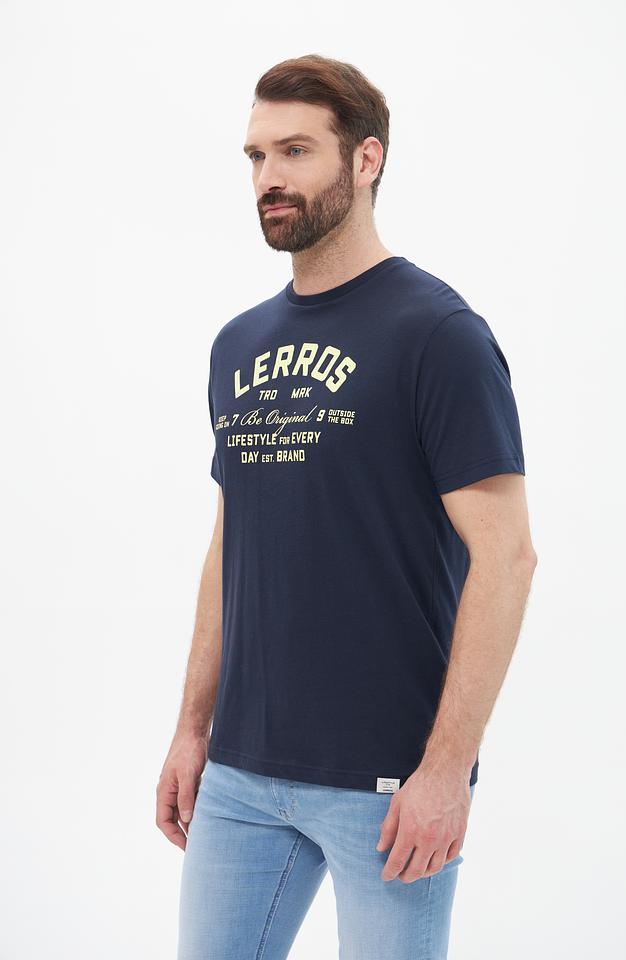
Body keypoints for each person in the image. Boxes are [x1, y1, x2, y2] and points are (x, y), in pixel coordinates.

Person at [156, 54, 538, 960]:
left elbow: (508, 557)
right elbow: (230, 544)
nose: (269, 176)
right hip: (240, 774)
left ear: (367, 160)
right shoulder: (237, 344)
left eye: (295, 151)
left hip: (388, 782)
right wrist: (190, 728)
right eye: (256, 156)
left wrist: (446, 771)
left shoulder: (438, 334)